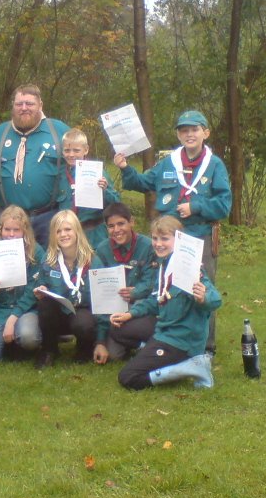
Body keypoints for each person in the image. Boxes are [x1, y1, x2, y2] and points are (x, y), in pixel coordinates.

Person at [113, 109, 231, 353]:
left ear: (205, 133)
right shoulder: (169, 162)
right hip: (168, 239)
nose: (189, 134)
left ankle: (205, 348)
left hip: (198, 236)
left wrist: (196, 206)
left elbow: (224, 204)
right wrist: (125, 168)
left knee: (199, 289)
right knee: (166, 287)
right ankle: (168, 337)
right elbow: (144, 183)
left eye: (194, 129)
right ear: (178, 135)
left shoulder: (215, 165)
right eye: (183, 130)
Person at [115, 216, 221, 390]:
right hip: (164, 331)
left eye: (165, 239)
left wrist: (203, 298)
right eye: (155, 239)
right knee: (118, 328)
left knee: (127, 377)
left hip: (182, 341)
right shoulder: (164, 264)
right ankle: (156, 353)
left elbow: (216, 299)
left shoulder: (190, 268)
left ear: (178, 240)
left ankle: (191, 367)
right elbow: (156, 299)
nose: (158, 244)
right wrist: (129, 314)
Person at [0, 84, 69, 246]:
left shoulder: (59, 131)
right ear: (13, 106)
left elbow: (78, 167)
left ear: (40, 105)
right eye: (19, 104)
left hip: (48, 217)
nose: (24, 108)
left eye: (29, 104)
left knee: (50, 265)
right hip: (10, 220)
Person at [32, 210, 107, 369]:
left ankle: (84, 348)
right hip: (58, 314)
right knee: (45, 306)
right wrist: (41, 290)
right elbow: (40, 284)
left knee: (84, 324)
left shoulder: (93, 261)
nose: (63, 235)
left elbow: (102, 302)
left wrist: (101, 340)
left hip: (82, 314)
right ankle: (49, 350)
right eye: (58, 231)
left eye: (68, 229)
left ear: (77, 231)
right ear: (53, 235)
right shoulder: (49, 259)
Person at [0, 206, 44, 367]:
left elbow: (33, 291)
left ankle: (20, 343)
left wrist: (12, 320)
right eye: (7, 229)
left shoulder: (36, 252)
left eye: (16, 230)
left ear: (25, 231)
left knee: (29, 338)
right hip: (0, 310)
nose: (11, 234)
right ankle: (8, 346)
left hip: (26, 309)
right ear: (0, 229)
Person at [95, 204, 157, 361]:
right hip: (114, 305)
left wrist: (135, 292)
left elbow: (152, 281)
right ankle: (137, 345)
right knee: (115, 355)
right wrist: (101, 341)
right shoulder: (102, 250)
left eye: (121, 223)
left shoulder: (148, 246)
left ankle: (151, 343)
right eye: (111, 226)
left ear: (132, 222)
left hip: (141, 304)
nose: (116, 230)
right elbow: (100, 294)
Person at [55, 127, 121, 248]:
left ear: (85, 150)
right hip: (67, 235)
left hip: (93, 235)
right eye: (67, 150)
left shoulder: (97, 172)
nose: (71, 154)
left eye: (76, 150)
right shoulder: (60, 175)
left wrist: (105, 190)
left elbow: (116, 203)